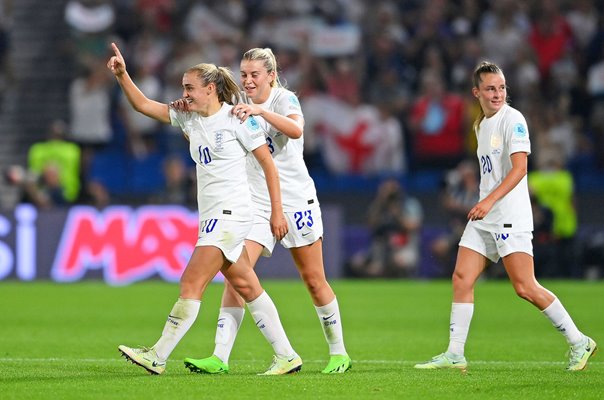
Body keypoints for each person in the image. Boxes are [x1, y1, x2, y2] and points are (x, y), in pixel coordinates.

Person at [107, 42, 302, 375]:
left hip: (231, 214)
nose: (184, 93)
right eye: (183, 87)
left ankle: (158, 355)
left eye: (189, 88)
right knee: (246, 284)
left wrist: (276, 212)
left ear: (210, 89)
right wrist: (123, 76)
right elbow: (143, 106)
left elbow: (269, 165)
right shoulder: (188, 118)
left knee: (191, 282)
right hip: (212, 214)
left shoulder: (237, 118)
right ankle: (287, 355)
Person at [174, 47, 352, 374]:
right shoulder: (238, 103)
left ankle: (339, 352)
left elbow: (297, 130)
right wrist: (188, 106)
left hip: (295, 200)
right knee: (236, 274)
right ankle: (220, 357)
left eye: (255, 74)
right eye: (244, 75)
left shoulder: (284, 100)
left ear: (271, 75)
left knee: (313, 280)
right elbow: (211, 113)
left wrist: (259, 111)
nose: (249, 80)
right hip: (256, 202)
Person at [414, 61, 597, 372]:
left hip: (509, 215)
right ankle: (455, 352)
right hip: (485, 216)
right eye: (490, 89)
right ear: (477, 92)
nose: (497, 94)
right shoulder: (481, 125)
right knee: (461, 277)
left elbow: (520, 170)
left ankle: (579, 341)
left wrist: (487, 202)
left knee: (525, 286)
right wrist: (483, 202)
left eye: (501, 88)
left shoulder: (513, 120)